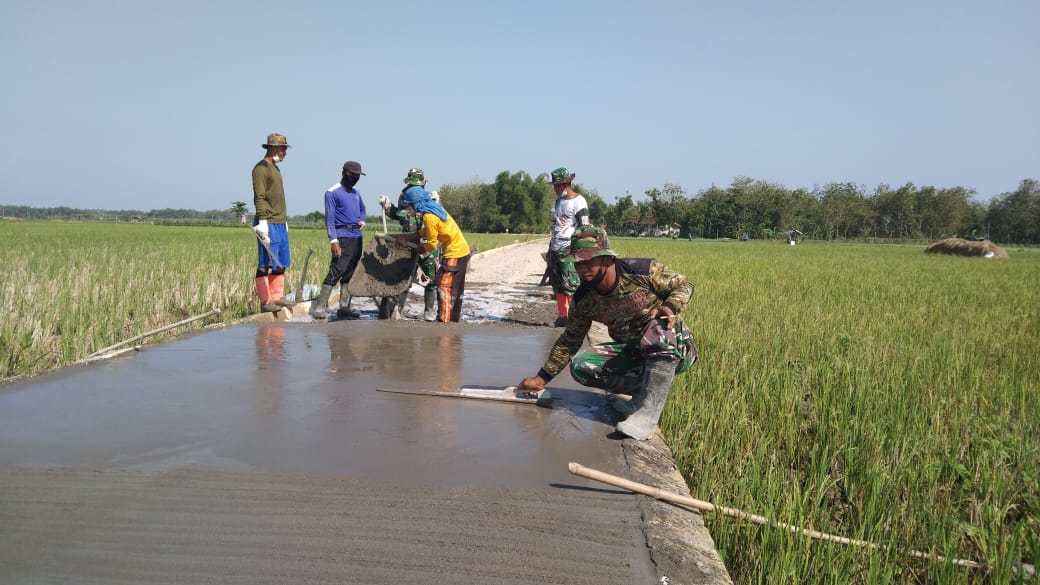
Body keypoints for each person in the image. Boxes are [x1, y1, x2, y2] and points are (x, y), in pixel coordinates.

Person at [515, 227, 697, 441]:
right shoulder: (584, 299)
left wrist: (670, 307)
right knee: (582, 366)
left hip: (675, 348)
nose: (582, 269)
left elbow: (684, 284)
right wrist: (541, 378)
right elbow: (569, 341)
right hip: (634, 354)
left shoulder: (640, 271)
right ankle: (639, 399)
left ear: (606, 258)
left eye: (588, 261)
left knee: (658, 325)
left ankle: (647, 415)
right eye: (578, 263)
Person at [392, 181, 471, 322]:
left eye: (409, 206)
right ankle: (451, 318)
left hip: (455, 253)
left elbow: (432, 244)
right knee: (453, 286)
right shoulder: (433, 208)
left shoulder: (429, 216)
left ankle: (444, 321)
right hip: (459, 251)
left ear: (416, 203)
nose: (409, 210)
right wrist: (408, 236)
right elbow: (425, 231)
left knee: (444, 285)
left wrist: (414, 247)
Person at [378, 168, 440, 321]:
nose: (412, 188)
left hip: (427, 245)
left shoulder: (429, 198)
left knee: (431, 278)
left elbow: (440, 220)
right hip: (407, 244)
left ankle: (429, 310)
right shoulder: (403, 197)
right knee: (403, 279)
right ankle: (397, 310)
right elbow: (397, 215)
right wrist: (387, 207)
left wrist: (438, 203)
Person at [313, 161, 367, 320]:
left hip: (356, 237)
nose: (356, 178)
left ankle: (344, 307)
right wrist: (333, 241)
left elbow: (362, 209)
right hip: (342, 236)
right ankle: (320, 307)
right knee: (337, 270)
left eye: (358, 176)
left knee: (350, 272)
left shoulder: (356, 193)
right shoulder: (332, 193)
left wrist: (362, 220)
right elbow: (329, 219)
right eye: (354, 175)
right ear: (345, 173)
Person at [252, 133, 294, 313]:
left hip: (279, 221)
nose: (285, 152)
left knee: (280, 262)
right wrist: (262, 222)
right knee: (266, 262)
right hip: (267, 221)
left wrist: (283, 221)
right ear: (274, 148)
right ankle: (266, 300)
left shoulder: (276, 168)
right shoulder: (261, 169)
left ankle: (277, 297)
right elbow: (260, 197)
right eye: (283, 149)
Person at [547, 167, 589, 328]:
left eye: (558, 186)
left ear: (567, 184)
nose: (555, 189)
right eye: (554, 186)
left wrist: (580, 250)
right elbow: (557, 225)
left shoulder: (579, 201)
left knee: (570, 283)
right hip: (556, 246)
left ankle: (574, 317)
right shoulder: (559, 202)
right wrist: (550, 248)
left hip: (569, 247)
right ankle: (562, 316)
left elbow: (584, 227)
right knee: (557, 283)